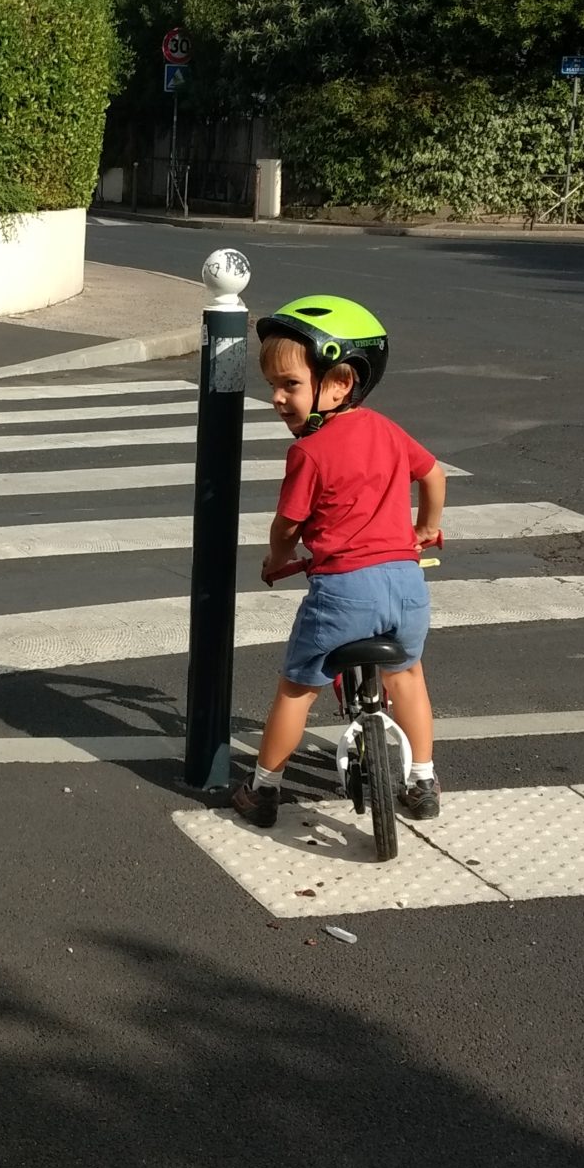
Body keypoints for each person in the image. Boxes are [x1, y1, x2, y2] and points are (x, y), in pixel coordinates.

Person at [229, 295, 447, 830]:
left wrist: (277, 560)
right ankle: (423, 780)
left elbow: (288, 525)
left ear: (340, 382)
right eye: (272, 386)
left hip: (344, 592)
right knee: (407, 676)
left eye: (290, 384)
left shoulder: (309, 451)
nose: (277, 398)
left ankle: (263, 789)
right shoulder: (387, 430)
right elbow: (432, 474)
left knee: (297, 688)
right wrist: (425, 529)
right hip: (406, 586)